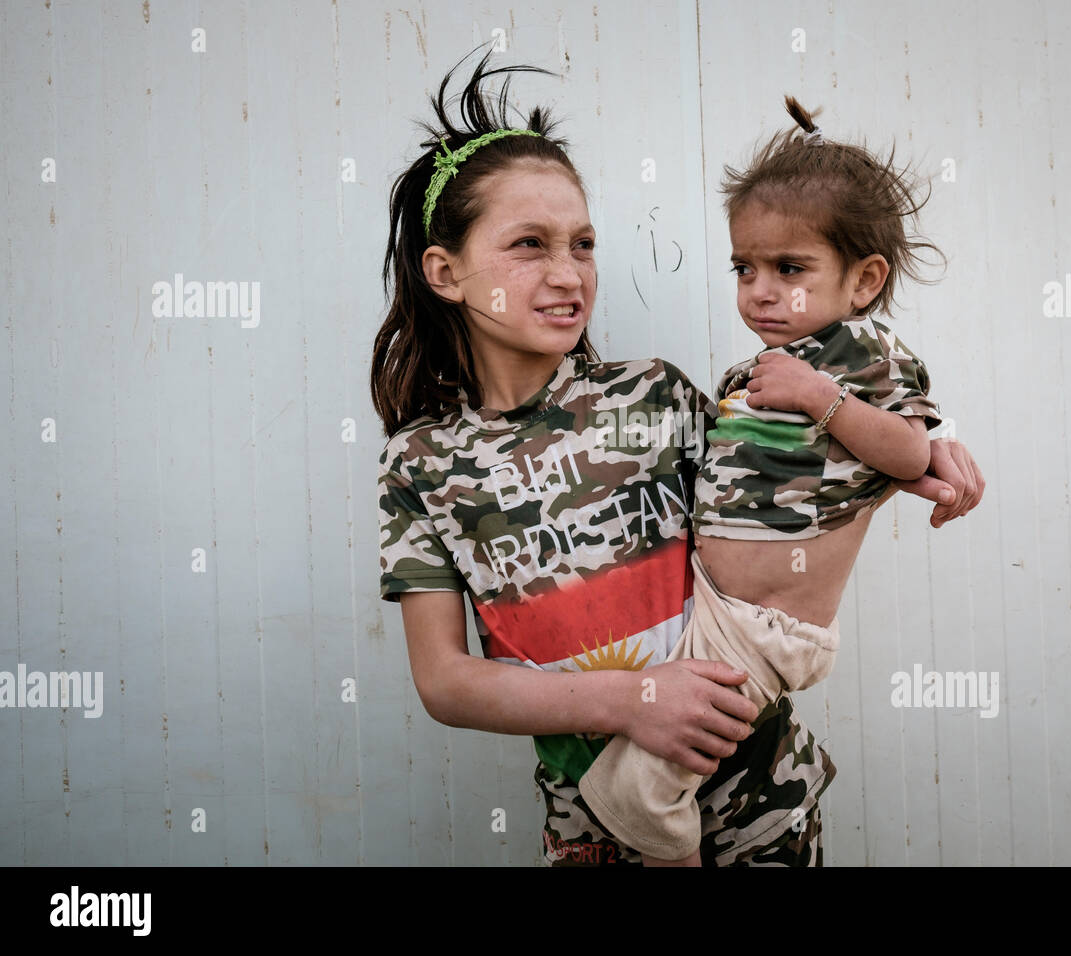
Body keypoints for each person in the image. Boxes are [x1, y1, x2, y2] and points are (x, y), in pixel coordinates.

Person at [373, 48, 985, 867]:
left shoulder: (652, 399)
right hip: (603, 824)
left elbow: (792, 473)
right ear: (445, 273)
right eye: (529, 245)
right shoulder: (422, 465)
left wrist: (929, 444)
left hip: (760, 797)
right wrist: (632, 700)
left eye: (583, 244)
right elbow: (445, 681)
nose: (568, 274)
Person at [577, 95, 968, 866]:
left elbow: (911, 453)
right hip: (708, 603)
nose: (759, 289)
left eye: (789, 269)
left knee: (636, 792)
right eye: (744, 267)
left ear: (864, 281)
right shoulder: (749, 373)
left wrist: (827, 400)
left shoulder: (867, 355)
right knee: (637, 745)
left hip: (761, 630)